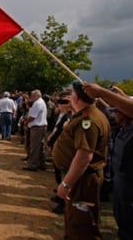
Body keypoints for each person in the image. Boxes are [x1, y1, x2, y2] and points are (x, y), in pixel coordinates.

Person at [53, 81, 110, 239]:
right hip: (82, 178)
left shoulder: (88, 120)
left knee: (81, 225)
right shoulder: (91, 115)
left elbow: (84, 156)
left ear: (76, 97)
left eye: (72, 95)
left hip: (83, 180)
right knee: (75, 221)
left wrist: (66, 183)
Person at [46, 90, 73, 214]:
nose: (60, 104)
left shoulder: (70, 117)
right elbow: (56, 129)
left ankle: (63, 204)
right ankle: (59, 194)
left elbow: (60, 133)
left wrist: (51, 143)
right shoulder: (63, 115)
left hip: (65, 152)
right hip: (58, 149)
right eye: (60, 101)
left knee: (64, 177)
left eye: (64, 102)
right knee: (58, 174)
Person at [111, 101, 133, 239]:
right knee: (120, 218)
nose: (114, 115)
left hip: (129, 185)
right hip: (119, 181)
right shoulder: (122, 130)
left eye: (118, 111)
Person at [22, 89, 47, 171]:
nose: (31, 97)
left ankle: (33, 165)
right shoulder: (40, 102)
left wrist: (26, 122)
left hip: (37, 127)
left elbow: (32, 117)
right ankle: (41, 163)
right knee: (39, 147)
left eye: (33, 95)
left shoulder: (38, 103)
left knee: (34, 147)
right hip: (40, 126)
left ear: (38, 95)